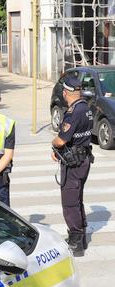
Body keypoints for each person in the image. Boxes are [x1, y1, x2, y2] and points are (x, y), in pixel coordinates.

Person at [52, 74, 94, 255]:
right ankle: (81, 238)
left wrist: (54, 145)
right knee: (77, 200)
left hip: (74, 164)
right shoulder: (86, 108)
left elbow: (61, 140)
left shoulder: (72, 113)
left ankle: (76, 242)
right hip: (83, 160)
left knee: (69, 203)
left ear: (65, 93)